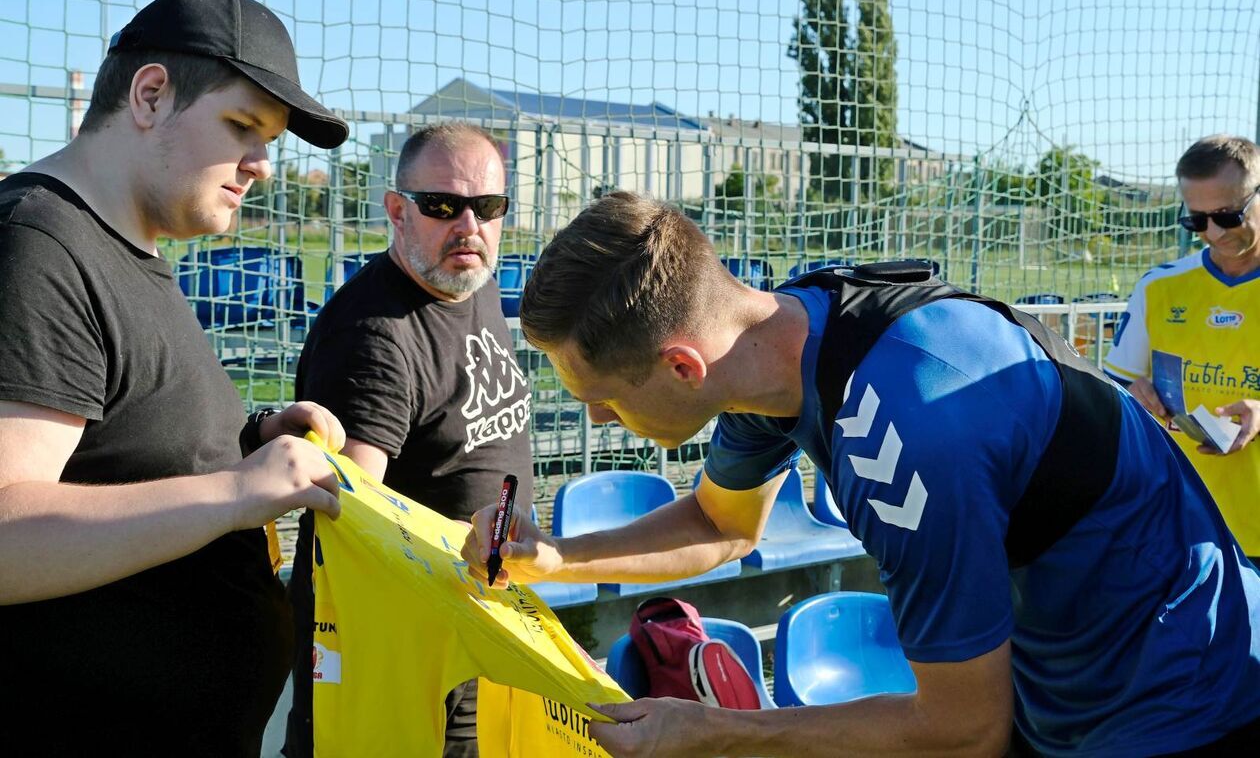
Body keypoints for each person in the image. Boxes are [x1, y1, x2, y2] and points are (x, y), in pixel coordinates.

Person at [464, 191, 1260, 757]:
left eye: (601, 398)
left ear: (680, 366)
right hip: (1065, 669)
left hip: (1172, 686)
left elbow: (961, 733)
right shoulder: (773, 342)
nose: (597, 421)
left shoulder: (905, 437)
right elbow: (721, 525)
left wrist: (716, 736)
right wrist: (560, 557)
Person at [0, 0, 349, 755]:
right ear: (151, 95)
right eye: (243, 127)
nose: (260, 165)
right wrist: (236, 492)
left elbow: (119, 443)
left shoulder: (130, 247)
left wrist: (252, 440)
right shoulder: (39, 247)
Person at [284, 123, 534, 757]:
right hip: (409, 665)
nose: (469, 226)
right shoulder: (373, 337)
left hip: (479, 630)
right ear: (398, 210)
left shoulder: (471, 283)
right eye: (444, 206)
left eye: (489, 208)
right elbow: (352, 526)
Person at [1105, 135, 1260, 558]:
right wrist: (1132, 393)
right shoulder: (1160, 287)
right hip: (1180, 523)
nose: (1211, 233)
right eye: (1196, 220)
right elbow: (1116, 385)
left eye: (1227, 216)